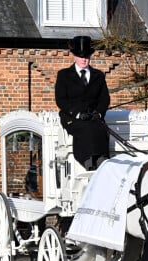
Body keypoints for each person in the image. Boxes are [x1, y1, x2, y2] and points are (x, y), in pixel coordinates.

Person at [55, 35, 110, 170]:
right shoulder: (64, 75)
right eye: (81, 56)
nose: (84, 59)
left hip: (93, 116)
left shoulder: (98, 75)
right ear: (74, 56)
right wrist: (77, 114)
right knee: (85, 128)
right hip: (72, 116)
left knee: (100, 128)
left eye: (87, 56)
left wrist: (99, 113)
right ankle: (87, 159)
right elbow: (61, 100)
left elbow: (105, 98)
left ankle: (102, 158)